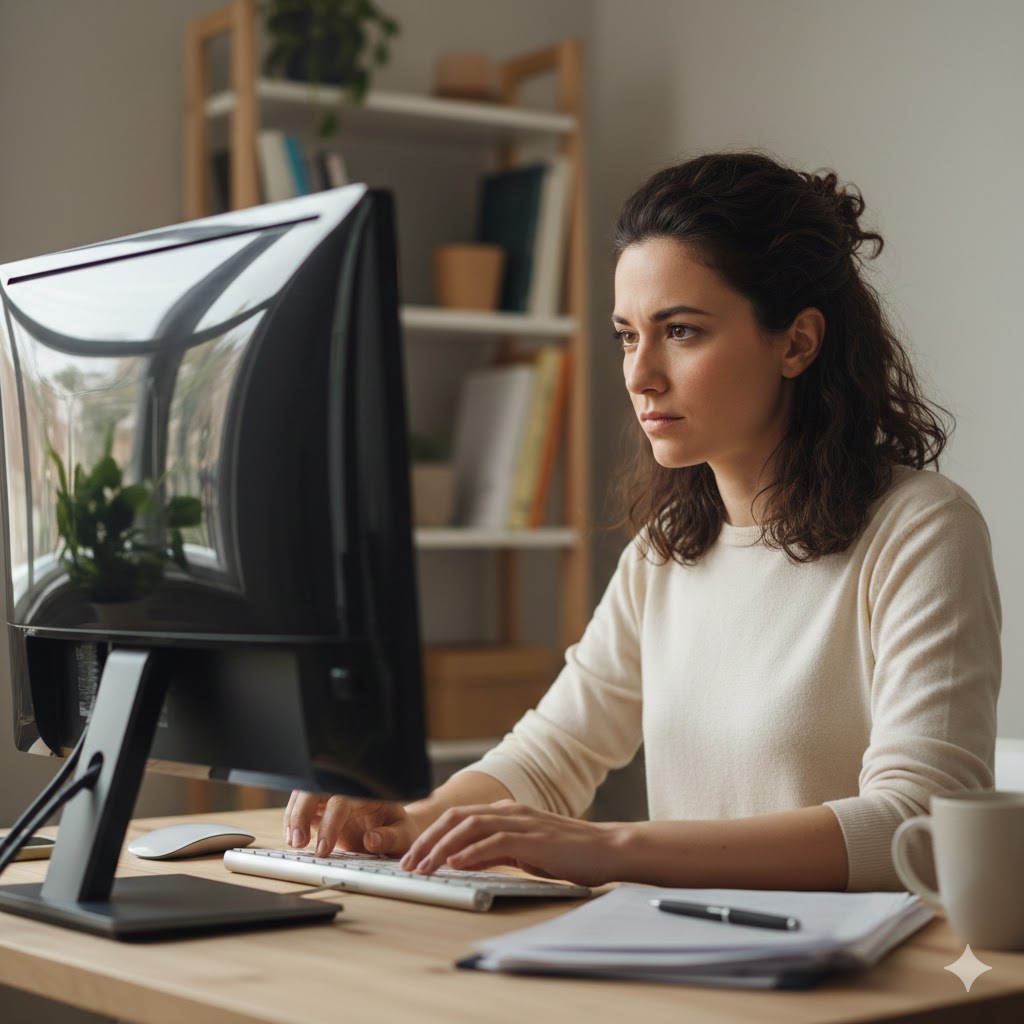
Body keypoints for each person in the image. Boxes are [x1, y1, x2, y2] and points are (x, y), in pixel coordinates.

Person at [284, 151, 1001, 892]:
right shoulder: (667, 549)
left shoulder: (921, 530)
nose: (639, 374)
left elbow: (915, 825)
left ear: (797, 342)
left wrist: (610, 848)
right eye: (627, 335)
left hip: (846, 962)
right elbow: (551, 755)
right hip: (680, 947)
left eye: (680, 331)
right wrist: (411, 821)